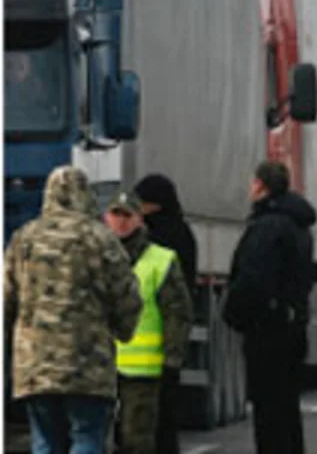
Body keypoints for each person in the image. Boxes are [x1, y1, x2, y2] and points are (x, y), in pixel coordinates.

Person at [4, 166, 143, 453]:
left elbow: (6, 299)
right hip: (88, 365)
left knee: (44, 440)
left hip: (35, 366)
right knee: (87, 436)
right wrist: (124, 330)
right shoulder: (100, 240)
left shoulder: (23, 239)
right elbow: (126, 296)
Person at [223, 161, 317, 454]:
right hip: (293, 325)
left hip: (268, 331)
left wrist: (234, 314)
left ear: (262, 187)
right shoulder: (298, 225)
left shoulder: (267, 228)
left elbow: (253, 280)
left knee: (269, 413)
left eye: (253, 183)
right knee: (288, 408)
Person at [105, 192, 193, 454]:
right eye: (116, 215)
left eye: (127, 216)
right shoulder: (96, 257)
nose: (121, 222)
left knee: (137, 440)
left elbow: (177, 313)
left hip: (142, 372)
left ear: (139, 220)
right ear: (105, 218)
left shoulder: (160, 261)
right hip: (100, 369)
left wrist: (172, 360)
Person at [133, 173, 196, 454]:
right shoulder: (184, 234)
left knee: (141, 426)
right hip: (169, 344)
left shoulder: (150, 240)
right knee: (166, 419)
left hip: (141, 348)